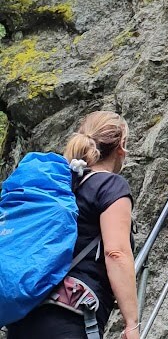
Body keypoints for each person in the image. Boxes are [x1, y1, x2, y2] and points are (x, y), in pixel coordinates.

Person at [7, 111, 139, 339]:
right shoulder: (110, 185)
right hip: (70, 315)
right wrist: (131, 323)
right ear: (121, 146)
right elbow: (116, 252)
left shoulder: (57, 186)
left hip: (24, 316)